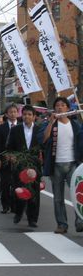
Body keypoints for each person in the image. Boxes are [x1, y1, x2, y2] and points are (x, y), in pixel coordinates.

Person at [38, 97, 83, 234]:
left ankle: (80, 221)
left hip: (72, 163)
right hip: (56, 164)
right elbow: (43, 139)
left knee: (77, 194)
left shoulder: (75, 124)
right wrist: (51, 122)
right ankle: (62, 224)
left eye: (63, 105)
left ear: (68, 108)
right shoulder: (50, 124)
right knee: (58, 197)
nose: (60, 108)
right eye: (57, 105)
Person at [7, 105, 41, 227]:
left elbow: (43, 146)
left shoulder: (39, 129)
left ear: (34, 117)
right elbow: (9, 147)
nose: (27, 116)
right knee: (19, 190)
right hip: (19, 164)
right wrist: (12, 156)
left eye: (29, 114)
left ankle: (32, 218)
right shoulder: (15, 129)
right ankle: (18, 211)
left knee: (34, 191)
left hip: (34, 164)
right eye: (25, 114)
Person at [0, 103, 19, 214]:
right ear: (6, 114)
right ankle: (5, 205)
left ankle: (15, 205)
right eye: (11, 112)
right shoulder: (1, 128)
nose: (13, 114)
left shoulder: (22, 126)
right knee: (5, 183)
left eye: (15, 111)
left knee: (17, 183)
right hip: (5, 159)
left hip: (19, 159)